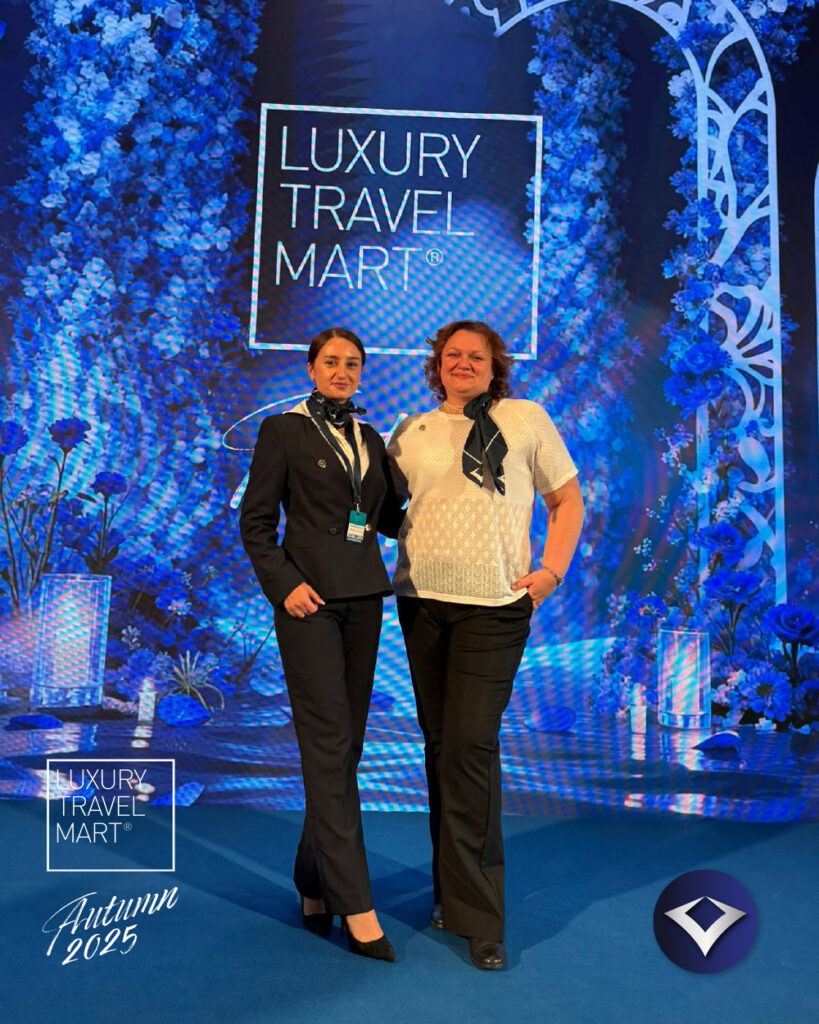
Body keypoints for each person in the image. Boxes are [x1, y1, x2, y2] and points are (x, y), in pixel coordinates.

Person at [388, 320, 584, 970]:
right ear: (436, 364)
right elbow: (380, 510)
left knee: (470, 746)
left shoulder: (525, 418)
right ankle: (449, 895)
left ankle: (480, 917)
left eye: (476, 355)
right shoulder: (410, 430)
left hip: (495, 609)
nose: (463, 363)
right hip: (421, 605)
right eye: (453, 355)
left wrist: (551, 571)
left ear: (494, 365)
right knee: (442, 748)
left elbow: (566, 500)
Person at [240, 327, 403, 963]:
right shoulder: (282, 430)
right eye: (331, 361)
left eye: (352, 363)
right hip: (307, 602)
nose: (342, 371)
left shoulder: (370, 437)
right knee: (330, 742)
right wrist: (284, 586)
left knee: (346, 747)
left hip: (364, 598)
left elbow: (387, 518)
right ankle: (356, 904)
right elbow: (255, 521)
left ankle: (312, 880)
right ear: (310, 368)